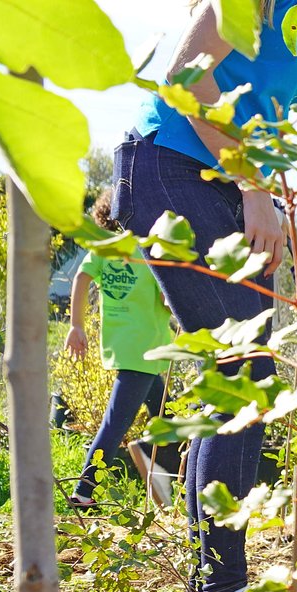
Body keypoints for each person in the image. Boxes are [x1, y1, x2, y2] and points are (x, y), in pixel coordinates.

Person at [116, 0, 297, 592]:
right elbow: (186, 74)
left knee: (235, 379)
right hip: (169, 165)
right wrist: (254, 185)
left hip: (228, 182)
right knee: (246, 378)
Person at [65, 187, 176, 509]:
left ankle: (167, 479)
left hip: (124, 347)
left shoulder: (105, 248)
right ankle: (84, 492)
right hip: (148, 347)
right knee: (115, 425)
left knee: (168, 416)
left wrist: (76, 325)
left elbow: (81, 278)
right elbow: (165, 300)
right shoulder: (148, 249)